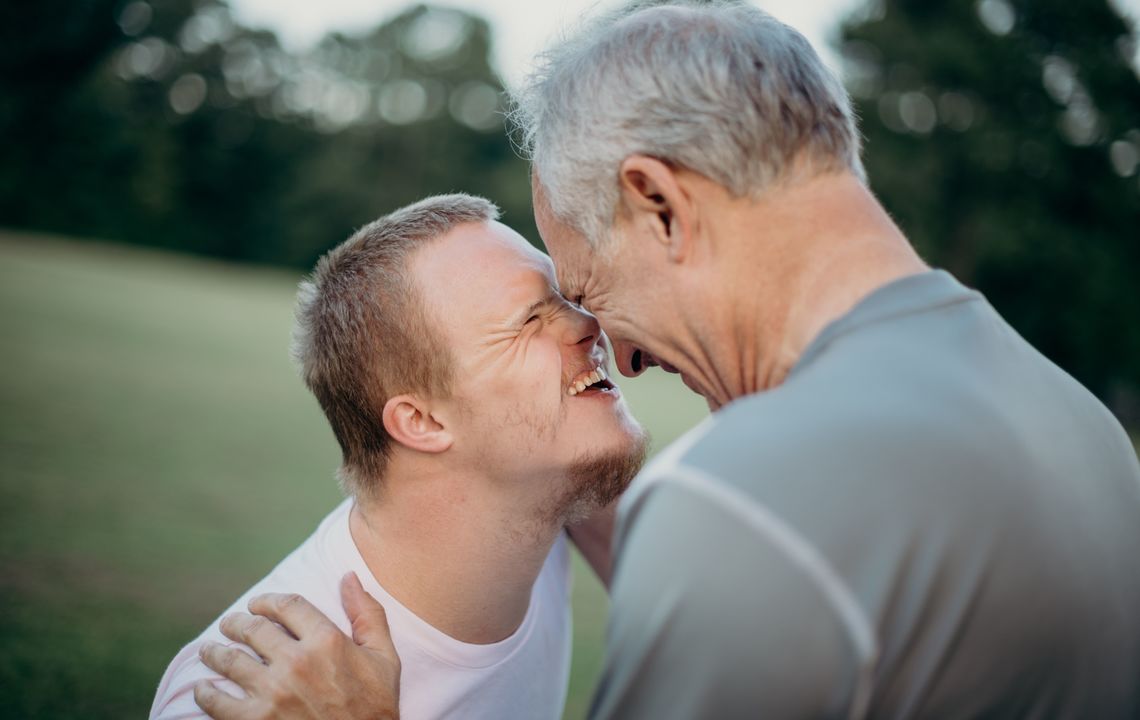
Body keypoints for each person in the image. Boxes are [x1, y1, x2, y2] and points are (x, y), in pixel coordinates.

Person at [195, 2, 1140, 718]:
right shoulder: (1079, 425)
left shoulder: (750, 505)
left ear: (658, 206)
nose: (623, 355)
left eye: (587, 287)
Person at [154, 193, 647, 719]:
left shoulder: (548, 494)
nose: (587, 323)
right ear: (424, 422)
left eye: (566, 298)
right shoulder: (250, 692)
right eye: (529, 321)